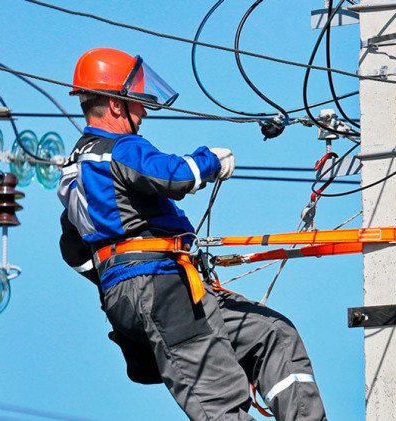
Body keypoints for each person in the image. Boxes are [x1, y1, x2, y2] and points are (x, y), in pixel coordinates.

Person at [58, 47, 327, 421]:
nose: (144, 111)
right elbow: (172, 175)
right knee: (221, 402)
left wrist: (120, 280)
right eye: (138, 103)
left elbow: (73, 250)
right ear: (116, 105)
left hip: (153, 291)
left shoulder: (77, 170)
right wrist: (210, 160)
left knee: (273, 333)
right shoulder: (120, 148)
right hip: (161, 290)